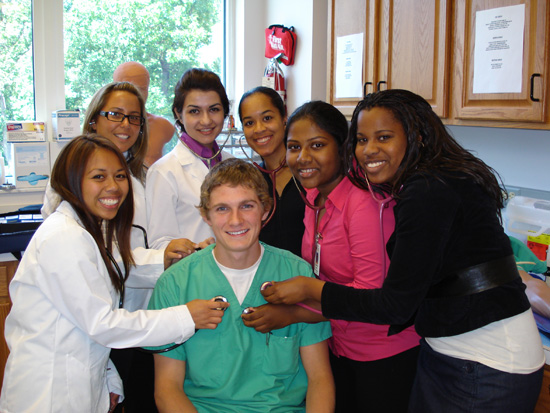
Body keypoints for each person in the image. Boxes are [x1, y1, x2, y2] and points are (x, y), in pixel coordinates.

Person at [261, 89, 546, 412]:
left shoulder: (426, 191)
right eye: (362, 139)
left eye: (384, 137)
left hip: (485, 361)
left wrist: (307, 290)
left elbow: (395, 305)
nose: (369, 150)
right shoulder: (431, 182)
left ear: (418, 136)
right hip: (455, 353)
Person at [0, 135, 228, 413]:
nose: (113, 187)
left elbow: (91, 311)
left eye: (120, 176)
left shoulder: (87, 231)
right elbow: (102, 324)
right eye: (99, 176)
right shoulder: (63, 237)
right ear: (71, 181)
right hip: (50, 394)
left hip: (82, 385)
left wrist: (109, 380)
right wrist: (186, 317)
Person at [244, 101, 420, 412]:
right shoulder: (313, 197)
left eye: (317, 145)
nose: (303, 158)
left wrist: (297, 309)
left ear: (343, 149)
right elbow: (325, 278)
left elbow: (370, 298)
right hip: (340, 346)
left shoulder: (364, 203)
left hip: (382, 355)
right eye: (294, 147)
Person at [41, 81, 205, 413]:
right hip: (103, 329)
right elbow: (103, 261)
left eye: (134, 118)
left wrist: (173, 252)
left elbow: (143, 243)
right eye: (115, 114)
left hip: (138, 315)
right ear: (93, 121)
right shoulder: (70, 198)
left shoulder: (142, 176)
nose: (125, 125)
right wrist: (165, 261)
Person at [147, 158, 335, 413]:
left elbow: (319, 378)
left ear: (265, 210)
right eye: (222, 209)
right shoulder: (175, 284)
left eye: (246, 206)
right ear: (206, 215)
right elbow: (168, 389)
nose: (236, 220)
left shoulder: (296, 275)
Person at [146, 68, 233, 250]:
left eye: (214, 109)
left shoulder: (232, 164)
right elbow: (160, 243)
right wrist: (196, 250)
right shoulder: (164, 171)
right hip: (192, 273)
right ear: (179, 114)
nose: (206, 120)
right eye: (194, 111)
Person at [238, 86, 305, 256]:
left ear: (284, 118)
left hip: (311, 279)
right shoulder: (250, 183)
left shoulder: (309, 173)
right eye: (249, 123)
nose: (259, 129)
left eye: (267, 118)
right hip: (266, 279)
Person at [113, 61, 175, 168]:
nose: (135, 94)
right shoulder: (104, 126)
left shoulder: (163, 127)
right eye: (127, 88)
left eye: (141, 89)